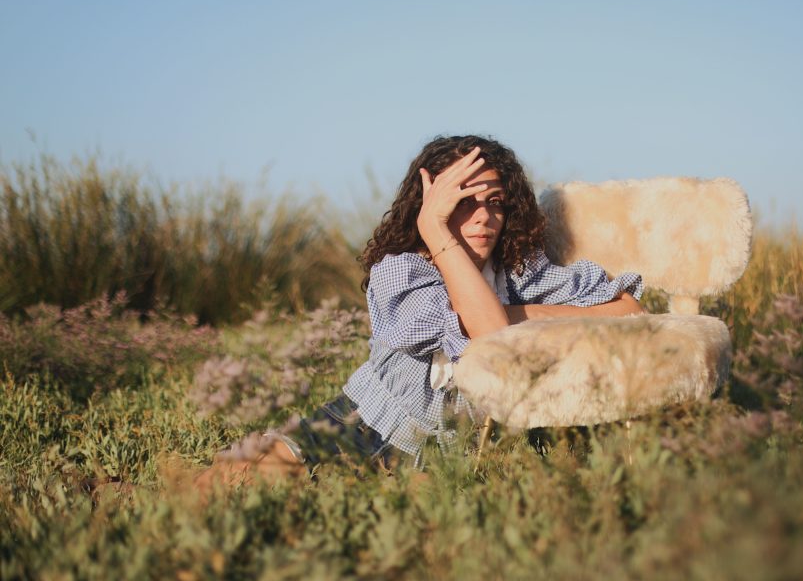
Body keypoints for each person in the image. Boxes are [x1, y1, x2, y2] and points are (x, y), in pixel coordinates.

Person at [194, 135, 643, 491]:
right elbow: (489, 334)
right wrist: (434, 230)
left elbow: (628, 309)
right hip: (359, 426)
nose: (484, 217)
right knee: (232, 481)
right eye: (464, 201)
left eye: (495, 203)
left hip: (450, 454)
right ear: (433, 206)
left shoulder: (520, 272)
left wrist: (519, 312)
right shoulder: (401, 272)